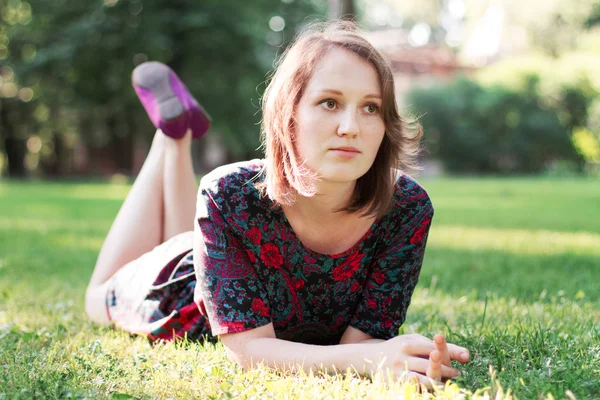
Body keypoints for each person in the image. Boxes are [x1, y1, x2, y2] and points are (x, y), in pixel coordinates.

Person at [85, 21, 470, 386]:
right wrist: (372, 360)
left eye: (370, 107)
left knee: (184, 232)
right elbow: (249, 350)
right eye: (329, 103)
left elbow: (360, 347)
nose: (351, 126)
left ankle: (174, 131)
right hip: (181, 291)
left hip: (215, 252)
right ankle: (170, 136)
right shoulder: (228, 193)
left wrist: (398, 359)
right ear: (289, 116)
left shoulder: (407, 208)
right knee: (95, 297)